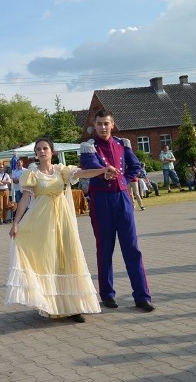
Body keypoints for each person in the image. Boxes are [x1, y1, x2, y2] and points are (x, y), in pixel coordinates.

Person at [7, 138, 108, 323]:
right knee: (50, 259)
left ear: (52, 151)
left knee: (69, 257)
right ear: (35, 153)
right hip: (42, 222)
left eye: (45, 148)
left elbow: (83, 173)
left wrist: (102, 170)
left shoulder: (62, 170)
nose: (42, 151)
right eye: (38, 149)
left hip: (64, 219)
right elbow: (24, 200)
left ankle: (74, 306)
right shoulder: (32, 174)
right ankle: (53, 305)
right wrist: (16, 223)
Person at [80, 109, 155, 312]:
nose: (103, 127)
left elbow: (135, 166)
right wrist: (105, 172)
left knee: (132, 248)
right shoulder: (89, 147)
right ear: (94, 126)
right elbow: (91, 165)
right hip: (101, 200)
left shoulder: (122, 144)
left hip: (123, 198)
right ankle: (107, 294)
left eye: (107, 123)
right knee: (105, 248)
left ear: (112, 124)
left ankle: (142, 296)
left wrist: (124, 179)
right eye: (100, 124)